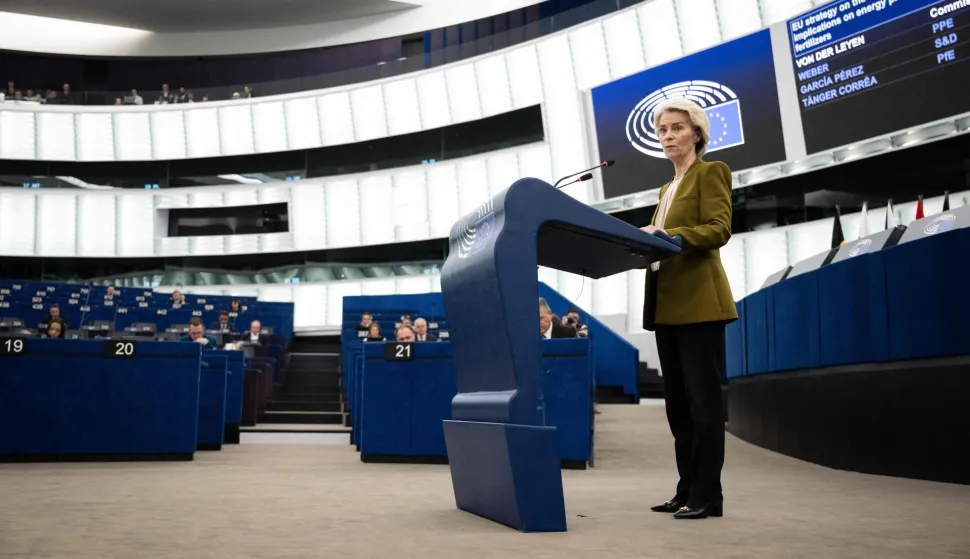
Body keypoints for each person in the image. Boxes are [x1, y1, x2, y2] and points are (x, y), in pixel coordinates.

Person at [640, 99, 737, 520]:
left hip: (699, 304)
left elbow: (719, 229)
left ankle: (707, 496)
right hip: (666, 308)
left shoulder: (711, 172)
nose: (668, 136)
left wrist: (667, 234)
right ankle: (685, 491)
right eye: (662, 130)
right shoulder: (665, 189)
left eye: (676, 128)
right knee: (678, 409)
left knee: (704, 407)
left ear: (696, 132)